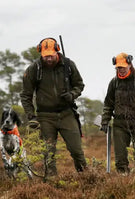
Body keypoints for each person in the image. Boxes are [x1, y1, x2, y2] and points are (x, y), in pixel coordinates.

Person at [20, 37, 87, 174]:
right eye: (45, 56)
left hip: (67, 113)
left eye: (51, 55)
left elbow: (79, 85)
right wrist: (31, 116)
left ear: (57, 51)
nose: (48, 59)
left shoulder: (68, 65)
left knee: (76, 150)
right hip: (45, 116)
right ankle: (51, 182)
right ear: (41, 54)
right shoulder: (34, 69)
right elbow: (26, 95)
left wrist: (72, 95)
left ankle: (86, 178)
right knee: (48, 154)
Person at [100, 52, 135, 173]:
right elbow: (108, 104)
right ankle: (123, 181)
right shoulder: (114, 82)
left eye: (123, 67)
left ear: (129, 65)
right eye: (118, 67)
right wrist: (105, 120)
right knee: (120, 159)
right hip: (120, 123)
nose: (121, 70)